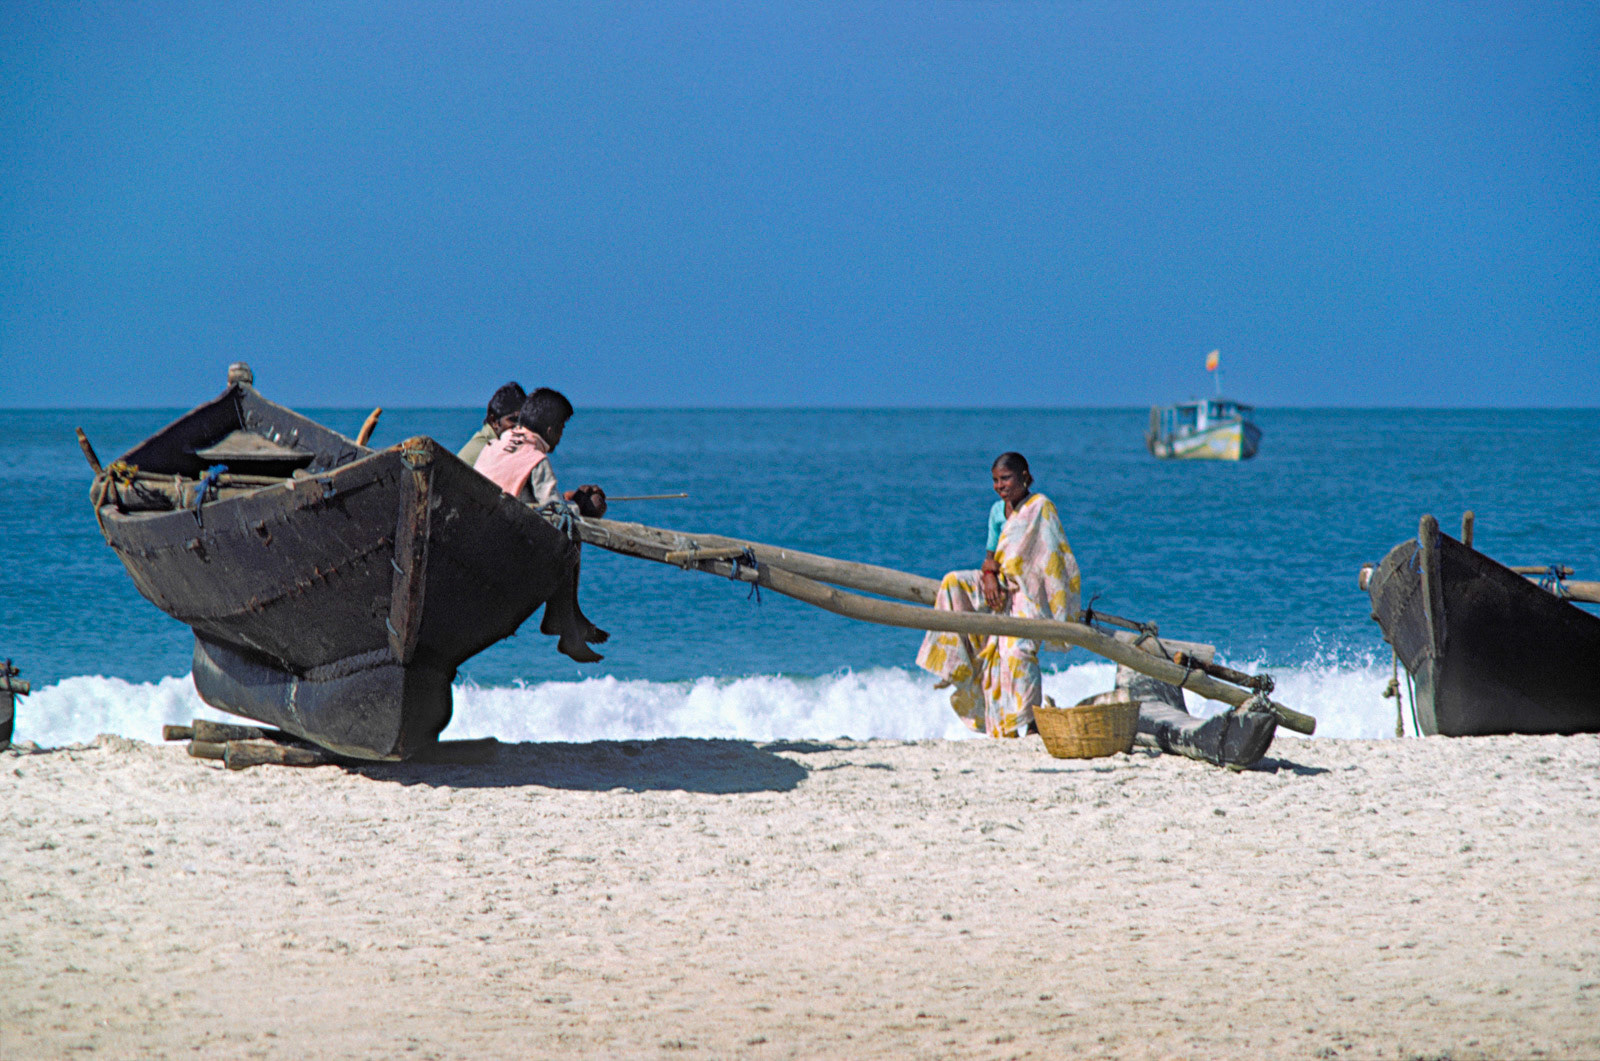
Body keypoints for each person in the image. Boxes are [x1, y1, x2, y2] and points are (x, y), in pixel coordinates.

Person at [915, 452, 1081, 738]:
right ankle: (955, 663)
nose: (999, 485)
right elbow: (991, 555)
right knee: (953, 582)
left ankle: (1029, 723)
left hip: (1029, 594)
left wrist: (1026, 583)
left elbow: (1053, 559)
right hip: (1000, 585)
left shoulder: (1041, 507)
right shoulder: (996, 511)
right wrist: (990, 576)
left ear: (1024, 477)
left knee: (1017, 651)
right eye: (994, 480)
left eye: (1005, 478)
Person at [475, 387, 609, 662]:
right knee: (568, 531)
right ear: (550, 429)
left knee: (562, 526)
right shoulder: (536, 459)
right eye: (560, 429)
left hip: (481, 533)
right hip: (506, 549)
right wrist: (584, 506)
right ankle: (566, 625)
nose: (560, 436)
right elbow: (555, 510)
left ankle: (565, 617)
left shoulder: (497, 444)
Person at [457, 381, 526, 467]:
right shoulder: (488, 448)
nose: (518, 427)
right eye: (513, 420)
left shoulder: (486, 442)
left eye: (522, 421)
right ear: (494, 421)